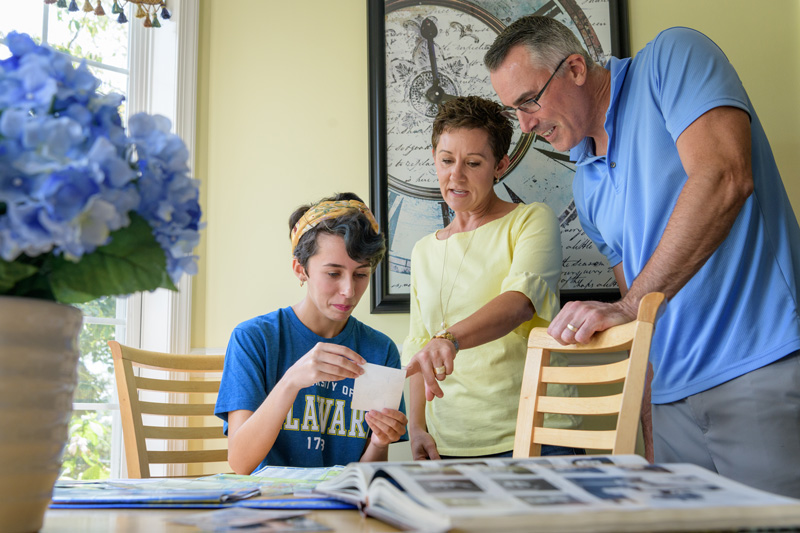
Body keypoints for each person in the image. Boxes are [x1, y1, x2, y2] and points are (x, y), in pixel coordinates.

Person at [485, 16, 800, 497]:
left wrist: (628, 307)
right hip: (672, 403)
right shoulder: (585, 185)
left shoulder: (672, 59)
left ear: (574, 69)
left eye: (530, 101)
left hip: (757, 366)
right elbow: (638, 307)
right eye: (514, 112)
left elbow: (723, 177)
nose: (526, 125)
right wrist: (647, 413)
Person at [403, 95, 581, 460]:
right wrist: (416, 427)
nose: (456, 176)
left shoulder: (530, 220)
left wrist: (450, 339)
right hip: (450, 442)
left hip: (536, 433)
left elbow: (519, 303)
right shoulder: (423, 250)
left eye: (473, 162)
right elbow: (419, 344)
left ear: (500, 165)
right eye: (446, 161)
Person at [215, 193, 408, 474]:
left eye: (361, 274)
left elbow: (367, 478)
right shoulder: (254, 339)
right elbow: (241, 462)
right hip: (271, 508)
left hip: (344, 509)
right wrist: (292, 380)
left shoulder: (380, 350)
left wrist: (379, 442)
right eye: (333, 273)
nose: (349, 291)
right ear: (300, 269)